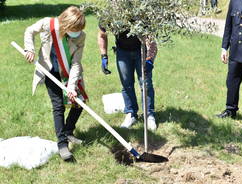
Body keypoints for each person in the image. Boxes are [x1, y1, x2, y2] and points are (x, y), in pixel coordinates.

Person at [24, 6, 88, 160]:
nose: (76, 32)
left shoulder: (80, 36)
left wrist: (71, 87)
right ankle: (62, 144)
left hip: (68, 73)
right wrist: (30, 49)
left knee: (79, 102)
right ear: (65, 25)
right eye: (74, 29)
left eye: (79, 29)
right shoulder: (48, 24)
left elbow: (76, 63)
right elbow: (29, 31)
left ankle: (68, 131)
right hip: (50, 71)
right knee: (58, 105)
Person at [97, 23, 158, 131]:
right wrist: (104, 55)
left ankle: (149, 114)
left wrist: (149, 59)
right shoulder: (110, 13)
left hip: (141, 49)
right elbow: (102, 34)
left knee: (146, 83)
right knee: (126, 84)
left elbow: (151, 39)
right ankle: (131, 113)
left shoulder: (140, 11)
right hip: (122, 52)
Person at [217, 0, 242, 130]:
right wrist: (224, 48)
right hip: (235, 51)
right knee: (231, 83)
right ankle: (230, 110)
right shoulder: (234, 1)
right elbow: (228, 25)